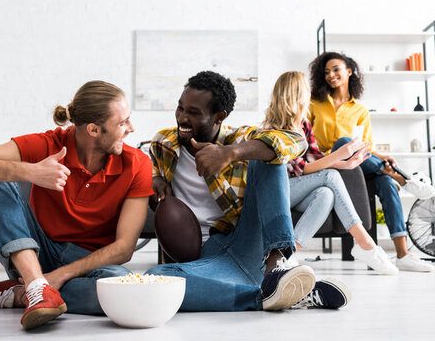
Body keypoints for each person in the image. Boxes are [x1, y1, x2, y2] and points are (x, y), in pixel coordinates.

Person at [0, 80, 153, 330]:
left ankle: (25, 292)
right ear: (94, 130)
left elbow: (123, 248)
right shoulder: (48, 144)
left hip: (88, 262)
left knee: (121, 285)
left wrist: (60, 275)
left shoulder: (137, 163)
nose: (131, 128)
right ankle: (36, 284)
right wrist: (31, 172)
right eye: (122, 122)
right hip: (34, 252)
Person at [146, 71, 349, 312]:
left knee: (270, 154)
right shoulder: (163, 142)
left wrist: (230, 153)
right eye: (180, 108)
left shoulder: (239, 137)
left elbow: (296, 142)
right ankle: (278, 295)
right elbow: (151, 172)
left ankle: (276, 269)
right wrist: (156, 180)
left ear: (219, 117)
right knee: (156, 277)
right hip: (203, 259)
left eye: (193, 112)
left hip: (245, 242)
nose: (182, 117)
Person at [308, 52, 435, 272]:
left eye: (336, 69)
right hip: (327, 163)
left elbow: (365, 146)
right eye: (326, 72)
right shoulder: (313, 104)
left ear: (349, 71)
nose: (331, 75)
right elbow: (307, 141)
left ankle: (402, 254)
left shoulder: (360, 110)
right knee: (344, 142)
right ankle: (403, 178)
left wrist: (380, 157)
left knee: (385, 184)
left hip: (355, 165)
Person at [263, 71, 398, 276]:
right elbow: (301, 168)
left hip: (297, 189)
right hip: (277, 192)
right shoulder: (272, 129)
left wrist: (345, 163)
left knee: (326, 193)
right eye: (305, 92)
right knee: (330, 177)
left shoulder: (303, 125)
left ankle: (288, 255)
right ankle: (364, 243)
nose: (308, 96)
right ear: (296, 94)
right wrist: (340, 155)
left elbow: (314, 160)